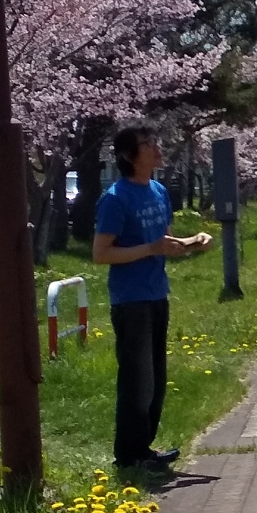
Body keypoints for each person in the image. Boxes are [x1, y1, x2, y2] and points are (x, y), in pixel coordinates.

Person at [93, 125, 212, 472]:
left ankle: (143, 449)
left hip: (158, 293)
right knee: (138, 380)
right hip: (130, 300)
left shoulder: (158, 191)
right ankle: (129, 457)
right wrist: (149, 249)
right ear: (129, 156)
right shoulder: (116, 198)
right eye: (147, 144)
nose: (156, 148)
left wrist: (193, 242)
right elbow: (101, 253)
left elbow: (165, 243)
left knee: (156, 380)